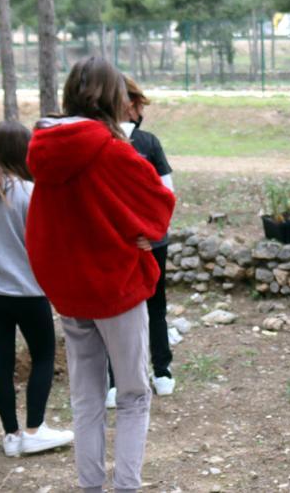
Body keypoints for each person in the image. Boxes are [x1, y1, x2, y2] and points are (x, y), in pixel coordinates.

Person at [25, 57, 175, 492]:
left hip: (70, 292)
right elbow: (157, 205)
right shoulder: (111, 150)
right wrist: (145, 234)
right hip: (115, 288)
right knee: (133, 395)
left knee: (86, 397)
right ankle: (126, 487)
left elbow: (40, 226)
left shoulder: (42, 146)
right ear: (113, 97)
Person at [0, 121, 73, 457]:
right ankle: (35, 429)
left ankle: (10, 436)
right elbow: (44, 243)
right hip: (28, 290)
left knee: (2, 361)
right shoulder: (28, 192)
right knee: (42, 356)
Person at [105, 75, 178, 409]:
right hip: (148, 242)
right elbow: (167, 193)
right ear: (130, 105)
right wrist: (150, 232)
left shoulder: (100, 142)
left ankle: (115, 380)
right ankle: (161, 371)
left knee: (114, 309)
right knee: (155, 306)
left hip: (118, 242)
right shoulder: (147, 143)